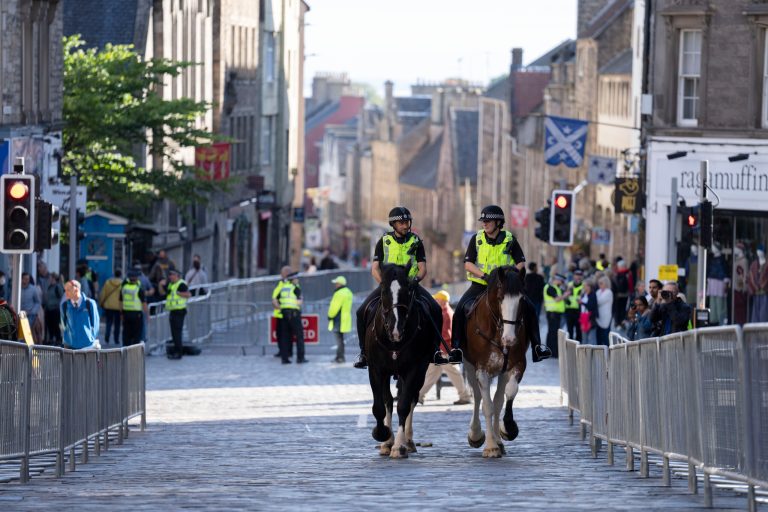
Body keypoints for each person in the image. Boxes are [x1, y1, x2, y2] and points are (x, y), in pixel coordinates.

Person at [452, 205, 552, 364]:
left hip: (506, 287)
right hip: (481, 284)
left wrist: (511, 277)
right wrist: (484, 276)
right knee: (459, 310)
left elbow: (521, 263)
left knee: (530, 308)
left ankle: (537, 347)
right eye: (483, 221)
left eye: (488, 221)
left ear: (498, 222)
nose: (484, 223)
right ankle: (455, 349)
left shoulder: (509, 239)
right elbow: (468, 264)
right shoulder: (476, 238)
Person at [353, 206, 447, 369]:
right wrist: (383, 284)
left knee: (435, 309)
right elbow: (375, 268)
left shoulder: (416, 241)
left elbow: (422, 267)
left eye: (407, 222)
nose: (406, 225)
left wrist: (415, 280)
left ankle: (434, 351)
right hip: (388, 286)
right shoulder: (383, 241)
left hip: (410, 285)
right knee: (361, 311)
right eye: (402, 223)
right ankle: (364, 352)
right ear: (394, 224)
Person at [419, 291, 472, 405]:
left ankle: (465, 396)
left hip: (444, 350)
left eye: (437, 300)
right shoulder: (446, 312)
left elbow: (445, 335)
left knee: (451, 374)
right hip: (444, 350)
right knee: (432, 374)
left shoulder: (444, 314)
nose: (435, 301)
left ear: (442, 301)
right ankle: (419, 395)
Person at [272, 267, 307, 364]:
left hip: (283, 314)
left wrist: (279, 307)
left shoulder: (283, 287)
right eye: (296, 279)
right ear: (293, 279)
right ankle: (300, 358)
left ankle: (285, 358)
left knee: (285, 337)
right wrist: (297, 302)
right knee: (299, 336)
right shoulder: (296, 287)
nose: (297, 280)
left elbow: (275, 300)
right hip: (294, 314)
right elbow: (299, 302)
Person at [160, 269, 191, 359]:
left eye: (172, 275)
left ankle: (178, 353)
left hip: (179, 311)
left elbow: (188, 295)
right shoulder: (171, 284)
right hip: (173, 311)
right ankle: (176, 351)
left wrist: (179, 293)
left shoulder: (181, 284)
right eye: (170, 275)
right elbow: (164, 293)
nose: (170, 277)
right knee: (174, 333)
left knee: (177, 332)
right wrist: (160, 285)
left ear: (177, 276)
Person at [61, 280, 100, 350]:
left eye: (68, 290)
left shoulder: (90, 303)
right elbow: (63, 324)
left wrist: (90, 338)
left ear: (76, 290)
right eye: (65, 290)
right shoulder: (64, 305)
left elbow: (96, 325)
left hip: (87, 346)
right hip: (69, 346)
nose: (65, 292)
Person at [328, 275, 353, 363]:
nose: (335, 285)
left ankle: (340, 357)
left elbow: (334, 307)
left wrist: (330, 315)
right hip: (345, 319)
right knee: (341, 340)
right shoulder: (348, 292)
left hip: (338, 319)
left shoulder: (339, 293)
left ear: (340, 283)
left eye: (336, 283)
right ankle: (340, 356)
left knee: (339, 340)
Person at [543, 273, 568, 357]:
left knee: (552, 332)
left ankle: (552, 351)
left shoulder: (555, 288)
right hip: (552, 313)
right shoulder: (550, 288)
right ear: (556, 280)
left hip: (555, 313)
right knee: (553, 333)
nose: (561, 283)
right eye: (561, 281)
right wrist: (565, 295)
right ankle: (553, 352)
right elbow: (557, 299)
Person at [121, 269, 148, 347]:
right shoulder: (139, 288)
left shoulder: (124, 287)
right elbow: (144, 303)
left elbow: (120, 301)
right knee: (137, 334)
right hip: (137, 314)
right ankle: (134, 352)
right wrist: (147, 314)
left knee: (126, 333)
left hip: (126, 313)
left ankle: (125, 350)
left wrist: (121, 313)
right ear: (137, 278)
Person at [99, 270, 124, 345]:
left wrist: (101, 303)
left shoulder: (108, 282)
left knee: (109, 322)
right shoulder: (123, 284)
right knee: (117, 324)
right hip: (118, 307)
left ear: (114, 274)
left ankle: (107, 337)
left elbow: (103, 293)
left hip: (108, 306)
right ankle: (116, 339)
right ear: (120, 275)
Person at [43, 273, 64, 345]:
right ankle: (51, 339)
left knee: (56, 326)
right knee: (50, 326)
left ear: (53, 278)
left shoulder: (58, 287)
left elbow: (62, 297)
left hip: (55, 310)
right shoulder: (50, 287)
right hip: (49, 310)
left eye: (50, 278)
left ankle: (58, 340)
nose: (49, 279)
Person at [19, 272, 42, 340]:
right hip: (18, 314)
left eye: (28, 279)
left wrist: (32, 311)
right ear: (21, 279)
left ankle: (27, 347)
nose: (27, 281)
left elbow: (38, 302)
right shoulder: (17, 288)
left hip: (30, 315)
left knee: (26, 332)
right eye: (25, 279)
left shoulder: (33, 289)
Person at [565, 270, 584, 342]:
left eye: (580, 275)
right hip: (569, 310)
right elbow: (565, 295)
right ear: (573, 276)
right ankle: (570, 345)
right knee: (570, 329)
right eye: (576, 275)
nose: (578, 277)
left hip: (579, 310)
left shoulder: (583, 286)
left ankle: (578, 345)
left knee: (578, 329)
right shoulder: (569, 284)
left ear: (582, 277)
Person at [595, 276, 614, 346]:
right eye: (599, 283)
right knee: (599, 336)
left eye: (601, 283)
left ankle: (608, 353)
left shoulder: (608, 292)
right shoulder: (598, 291)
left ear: (606, 283)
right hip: (599, 316)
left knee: (605, 336)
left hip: (606, 316)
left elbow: (598, 301)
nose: (599, 285)